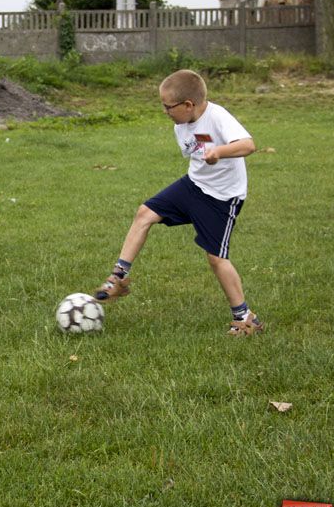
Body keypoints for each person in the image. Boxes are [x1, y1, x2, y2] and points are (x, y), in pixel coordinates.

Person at [94, 69, 262, 336]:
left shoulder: (217, 117)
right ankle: (118, 277)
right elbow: (194, 153)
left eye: (168, 106)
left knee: (216, 258)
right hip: (194, 185)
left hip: (221, 197)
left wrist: (219, 151)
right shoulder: (180, 125)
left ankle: (245, 317)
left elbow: (248, 145)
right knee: (145, 213)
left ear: (188, 105)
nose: (165, 111)